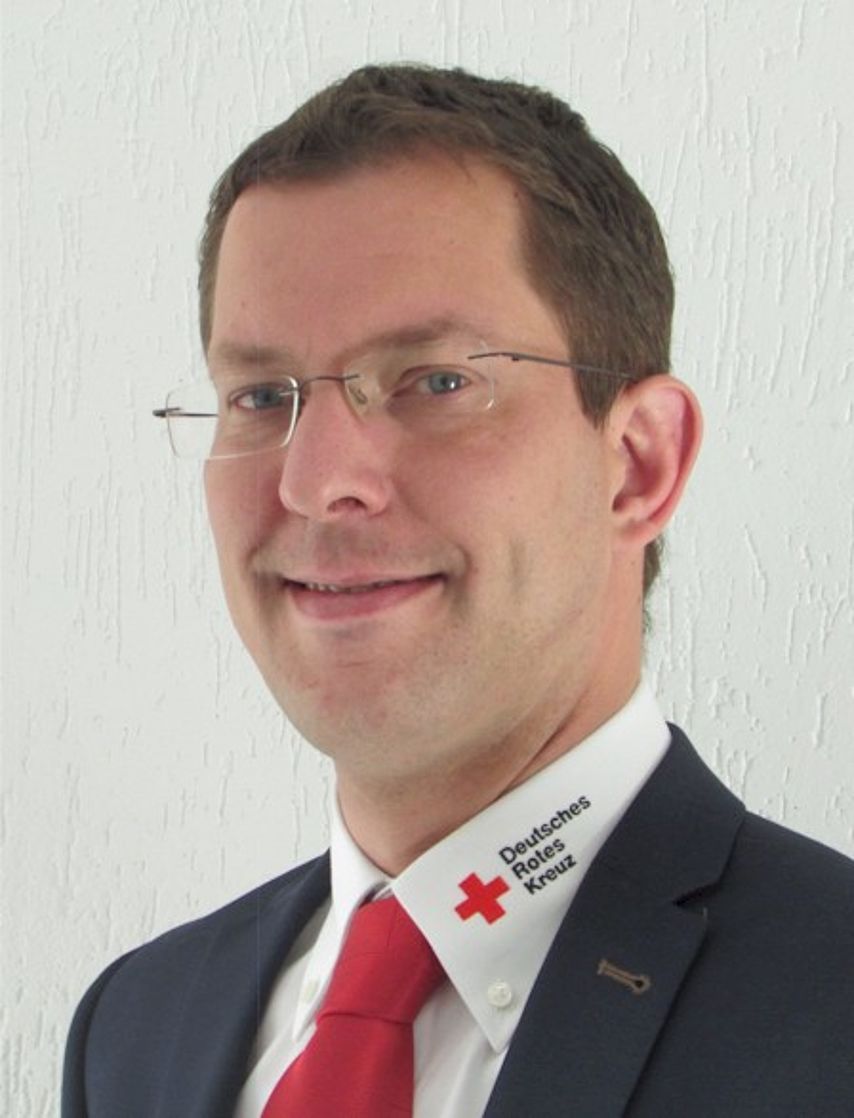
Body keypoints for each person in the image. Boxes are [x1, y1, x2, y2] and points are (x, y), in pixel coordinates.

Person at [62, 63, 854, 1117]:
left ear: (637, 465)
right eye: (259, 396)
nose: (314, 480)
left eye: (435, 381)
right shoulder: (135, 1028)